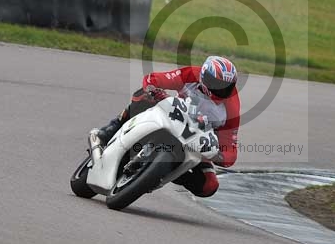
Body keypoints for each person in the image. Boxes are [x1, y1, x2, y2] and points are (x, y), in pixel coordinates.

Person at [90, 56, 241, 198]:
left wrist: (218, 155)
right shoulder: (191, 74)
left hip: (195, 139)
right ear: (204, 76)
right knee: (143, 95)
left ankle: (165, 172)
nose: (222, 90)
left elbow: (230, 147)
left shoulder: (232, 107)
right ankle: (111, 128)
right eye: (217, 83)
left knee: (209, 185)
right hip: (173, 114)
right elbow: (154, 79)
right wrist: (155, 90)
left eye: (226, 86)